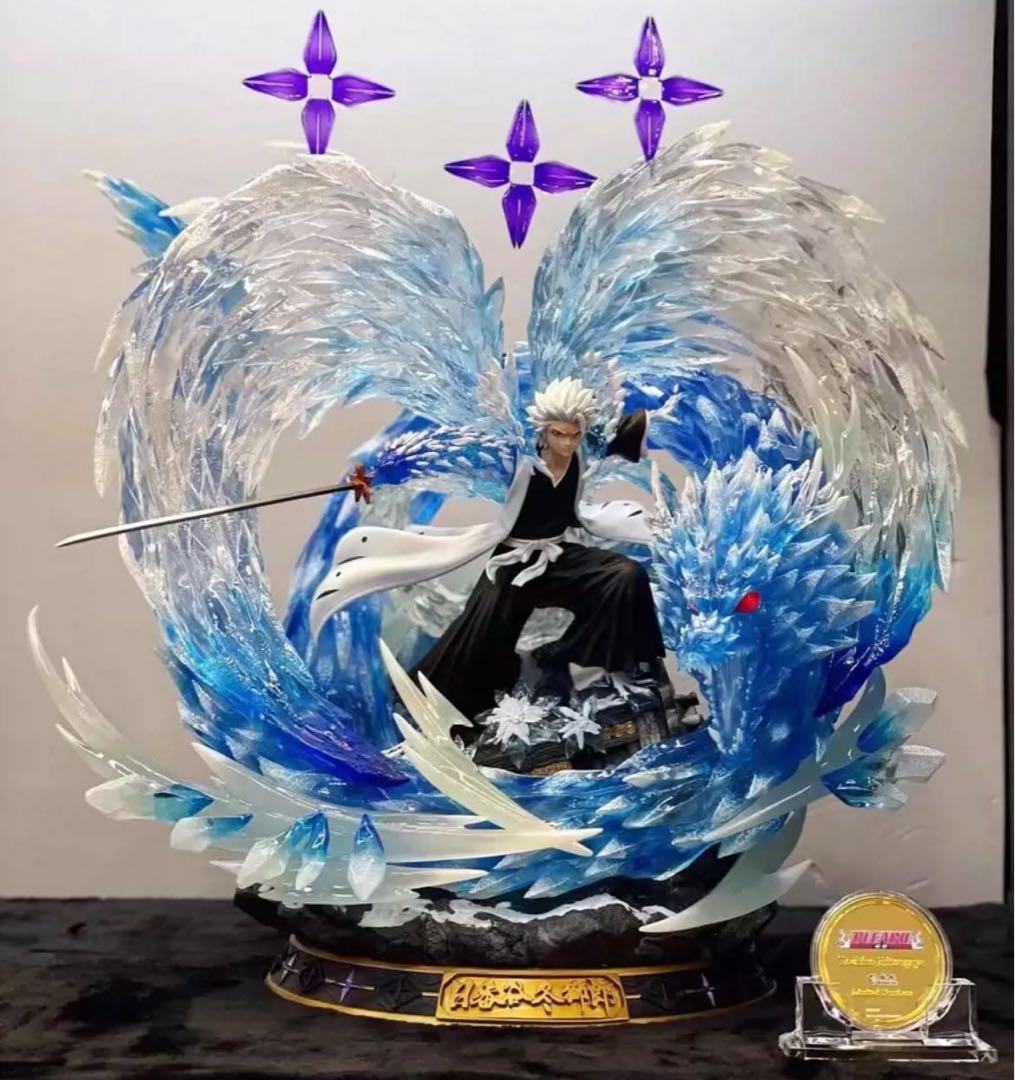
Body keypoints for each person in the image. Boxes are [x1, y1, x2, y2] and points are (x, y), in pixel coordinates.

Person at [311, 378, 666, 720]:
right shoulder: (518, 460)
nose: (567, 443)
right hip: (512, 563)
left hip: (557, 557)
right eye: (559, 434)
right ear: (544, 431)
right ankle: (450, 707)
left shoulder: (581, 450)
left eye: (575, 434)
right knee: (480, 637)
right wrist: (379, 475)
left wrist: (658, 418)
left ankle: (601, 664)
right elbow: (448, 453)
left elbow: (622, 432)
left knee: (624, 575)